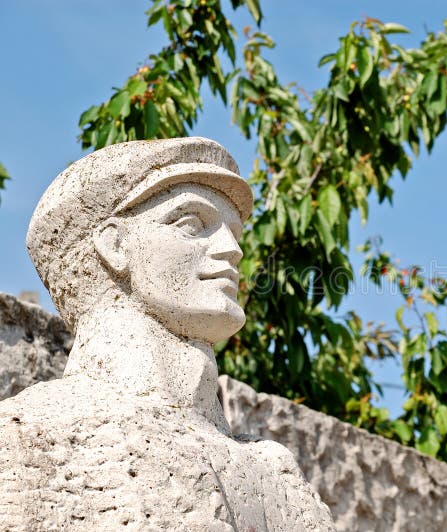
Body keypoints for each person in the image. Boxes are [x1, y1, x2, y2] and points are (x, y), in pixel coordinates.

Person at [1, 137, 333, 530]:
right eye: (192, 223)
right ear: (115, 245)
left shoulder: (278, 476)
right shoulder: (31, 439)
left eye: (234, 232)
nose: (232, 250)